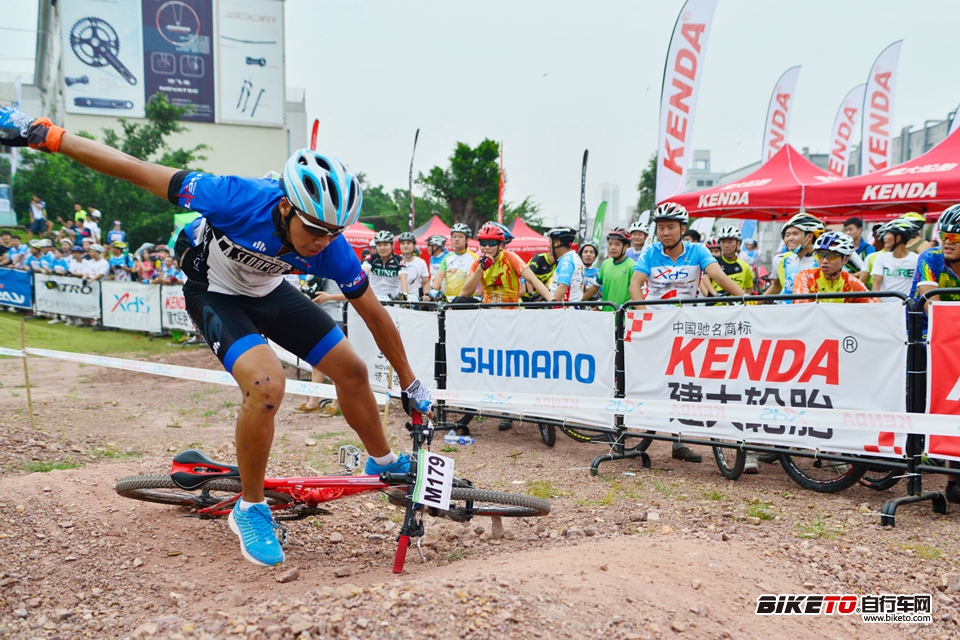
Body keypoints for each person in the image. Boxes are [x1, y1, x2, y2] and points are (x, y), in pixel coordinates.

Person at [1, 106, 433, 567]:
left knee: (352, 370)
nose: (322, 242)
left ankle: (382, 462)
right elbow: (132, 167)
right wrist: (44, 134)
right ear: (286, 206)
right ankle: (250, 508)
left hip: (269, 290)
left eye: (334, 233)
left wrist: (410, 382)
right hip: (214, 292)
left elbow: (375, 315)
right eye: (314, 229)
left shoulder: (333, 251)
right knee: (267, 386)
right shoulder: (233, 197)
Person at [628, 202, 746, 463]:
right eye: (660, 228)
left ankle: (679, 441)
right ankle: (634, 425)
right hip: (658, 325)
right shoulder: (650, 253)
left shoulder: (697, 251)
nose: (665, 233)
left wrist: (746, 300)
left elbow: (717, 275)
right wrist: (646, 317)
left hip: (689, 327)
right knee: (661, 380)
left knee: (686, 382)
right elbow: (635, 286)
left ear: (683, 228)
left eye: (671, 227)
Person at [909, 205, 960, 504]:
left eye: (955, 236)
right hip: (927, 336)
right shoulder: (931, 258)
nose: (947, 241)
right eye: (943, 235)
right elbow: (933, 303)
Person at [793, 232, 877, 303]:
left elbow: (874, 306)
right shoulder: (805, 276)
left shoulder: (852, 282)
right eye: (820, 255)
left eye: (832, 256)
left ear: (845, 260)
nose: (825, 261)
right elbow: (801, 305)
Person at [763, 213, 824, 300]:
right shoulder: (780, 259)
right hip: (785, 309)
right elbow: (776, 286)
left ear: (809, 236)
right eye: (787, 235)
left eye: (795, 234)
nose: (790, 238)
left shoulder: (822, 261)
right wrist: (754, 303)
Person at [584, 227, 635, 307]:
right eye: (610, 244)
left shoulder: (632, 266)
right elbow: (595, 287)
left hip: (624, 317)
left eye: (617, 244)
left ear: (626, 246)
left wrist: (623, 308)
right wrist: (577, 300)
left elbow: (639, 294)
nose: (613, 247)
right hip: (606, 316)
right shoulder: (605, 264)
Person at [870, 219, 919, 303]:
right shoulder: (881, 258)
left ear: (898, 237)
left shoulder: (916, 259)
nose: (884, 237)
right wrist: (878, 303)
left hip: (907, 307)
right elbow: (876, 284)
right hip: (884, 307)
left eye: (888, 233)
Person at [430, 223, 476, 300]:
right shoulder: (447, 257)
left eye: (460, 236)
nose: (456, 239)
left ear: (467, 240)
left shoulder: (474, 257)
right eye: (454, 236)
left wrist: (479, 294)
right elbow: (440, 275)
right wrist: (434, 289)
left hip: (466, 300)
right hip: (448, 300)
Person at [707, 226, 754, 296]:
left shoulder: (745, 266)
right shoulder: (714, 262)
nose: (726, 245)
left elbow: (749, 288)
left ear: (738, 243)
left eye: (730, 242)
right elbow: (704, 280)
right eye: (723, 242)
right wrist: (715, 295)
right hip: (716, 305)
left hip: (736, 306)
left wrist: (742, 301)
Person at [364, 230, 408, 299]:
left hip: (392, 298)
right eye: (379, 245)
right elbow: (363, 273)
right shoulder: (371, 258)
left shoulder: (399, 259)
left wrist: (404, 294)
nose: (382, 248)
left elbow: (403, 277)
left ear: (392, 245)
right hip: (374, 298)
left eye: (385, 245)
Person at [545, 227, 585, 303]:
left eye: (550, 242)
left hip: (565, 310)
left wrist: (551, 306)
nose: (548, 246)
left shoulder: (566, 260)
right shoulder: (574, 257)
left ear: (558, 243)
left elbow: (562, 287)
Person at [397, 232, 429, 299]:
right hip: (397, 299)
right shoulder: (395, 261)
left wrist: (426, 295)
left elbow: (425, 282)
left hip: (414, 300)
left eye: (408, 243)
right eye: (403, 243)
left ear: (414, 245)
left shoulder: (421, 262)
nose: (405, 246)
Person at [423, 235, 448, 300]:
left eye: (429, 245)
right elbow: (432, 276)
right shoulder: (432, 258)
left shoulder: (448, 257)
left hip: (444, 293)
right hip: (433, 292)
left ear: (436, 246)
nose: (427, 247)